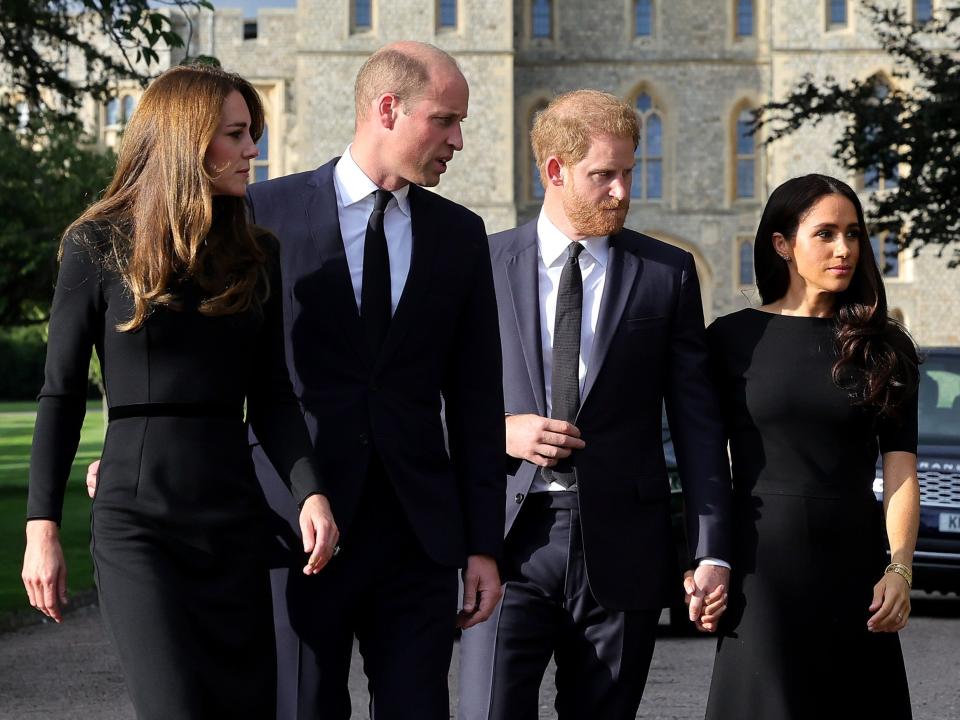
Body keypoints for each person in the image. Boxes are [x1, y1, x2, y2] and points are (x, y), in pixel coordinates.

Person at [21, 64, 338, 720]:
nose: (255, 150)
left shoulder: (258, 253)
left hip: (235, 520)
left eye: (254, 133)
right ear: (187, 141)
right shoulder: (96, 243)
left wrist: (309, 490)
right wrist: (41, 527)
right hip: (139, 526)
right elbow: (61, 395)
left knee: (244, 707)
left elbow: (273, 394)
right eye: (237, 135)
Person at [245, 42, 506, 719]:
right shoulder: (262, 213)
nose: (457, 140)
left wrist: (482, 545)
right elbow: (221, 364)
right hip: (298, 528)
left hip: (418, 537)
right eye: (445, 120)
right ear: (388, 109)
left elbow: (478, 402)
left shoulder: (460, 234)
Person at [458, 89, 733, 720]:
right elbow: (428, 396)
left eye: (627, 173)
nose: (620, 191)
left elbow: (696, 423)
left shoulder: (668, 273)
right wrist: (498, 430)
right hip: (507, 539)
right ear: (555, 171)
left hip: (623, 544)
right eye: (602, 175)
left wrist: (710, 548)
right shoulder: (483, 262)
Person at [703, 174, 919, 719]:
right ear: (783, 244)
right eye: (825, 233)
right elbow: (705, 461)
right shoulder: (730, 340)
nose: (844, 249)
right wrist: (704, 559)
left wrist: (899, 569)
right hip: (760, 569)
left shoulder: (885, 347)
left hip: (853, 566)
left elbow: (900, 470)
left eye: (853, 233)